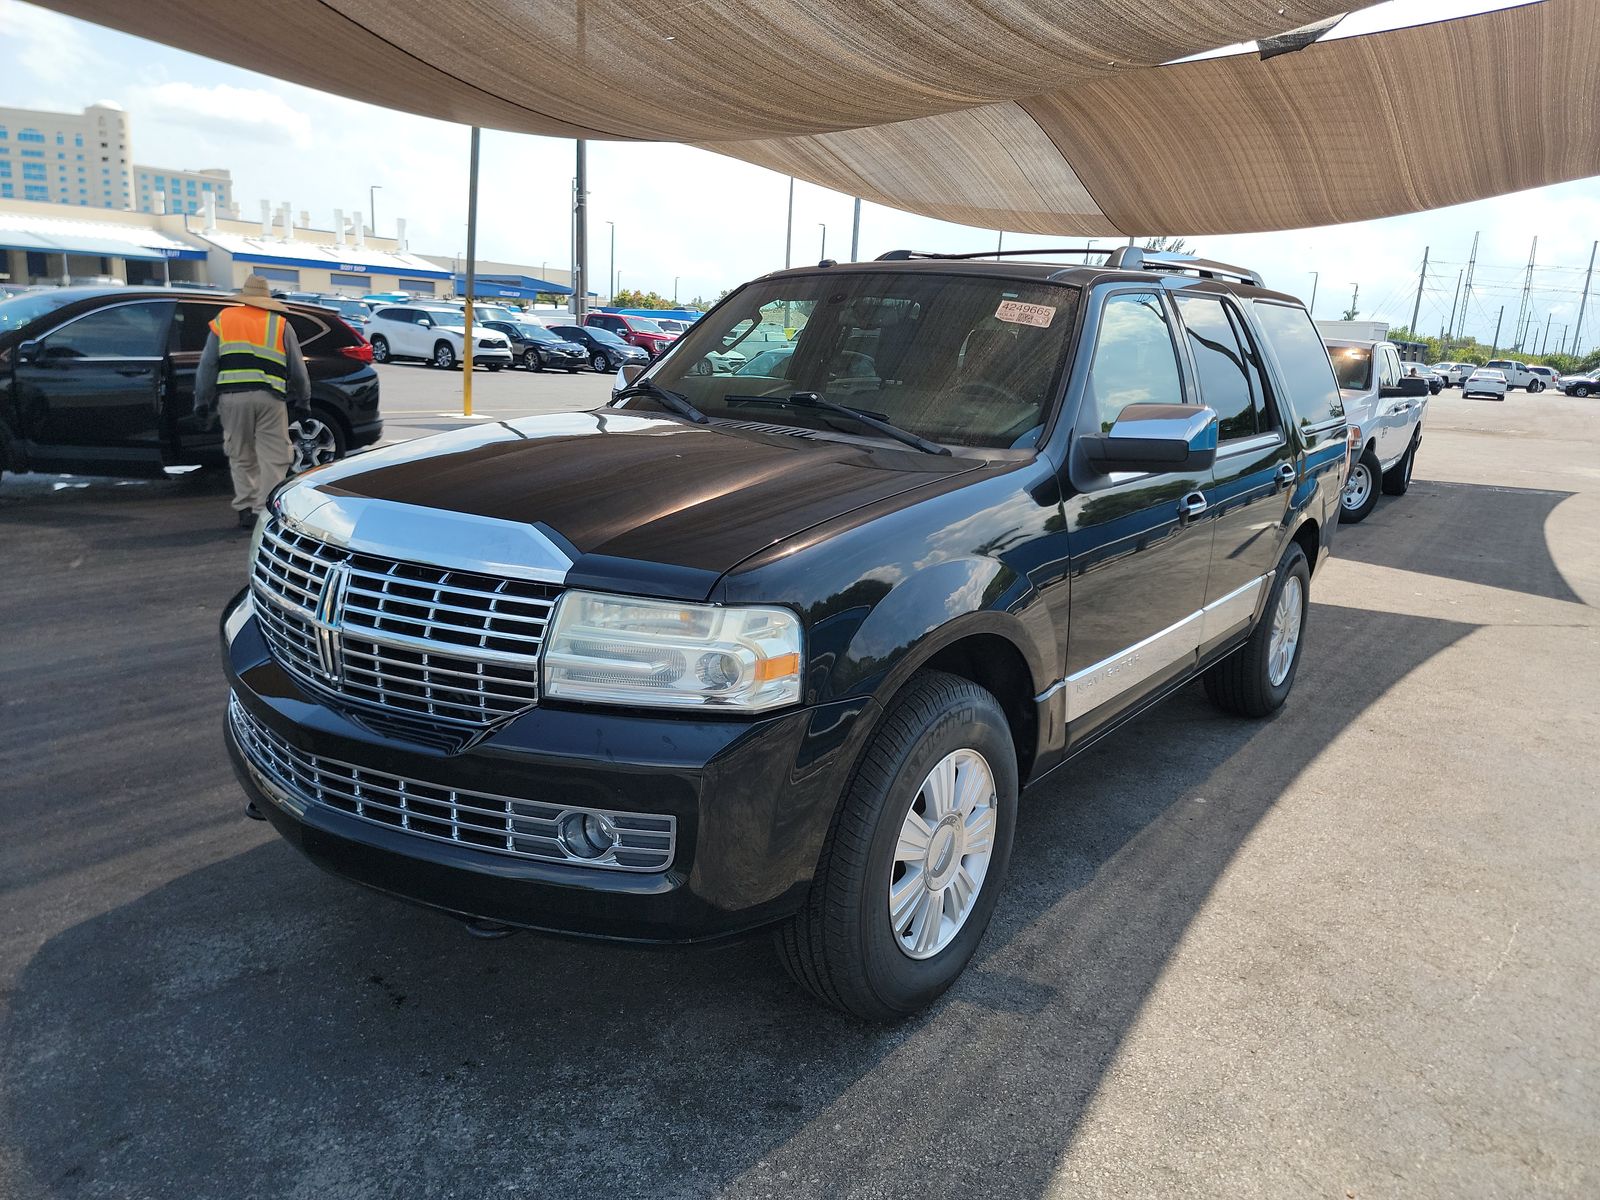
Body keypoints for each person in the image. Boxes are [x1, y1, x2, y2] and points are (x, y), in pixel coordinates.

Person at [194, 275, 311, 529]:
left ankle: (245, 508)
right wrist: (303, 400)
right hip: (270, 398)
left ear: (245, 298)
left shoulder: (224, 320)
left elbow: (208, 365)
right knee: (274, 456)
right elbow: (298, 369)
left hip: (232, 398)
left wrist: (201, 401)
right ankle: (264, 512)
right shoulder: (280, 324)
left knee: (240, 453)